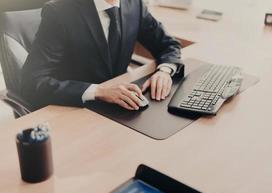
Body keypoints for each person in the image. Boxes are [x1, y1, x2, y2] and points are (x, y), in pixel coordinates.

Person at [21, 0, 183, 110]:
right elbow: (32, 82)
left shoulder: (134, 3)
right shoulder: (59, 12)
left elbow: (168, 44)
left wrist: (164, 71)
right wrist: (98, 91)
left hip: (124, 106)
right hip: (77, 109)